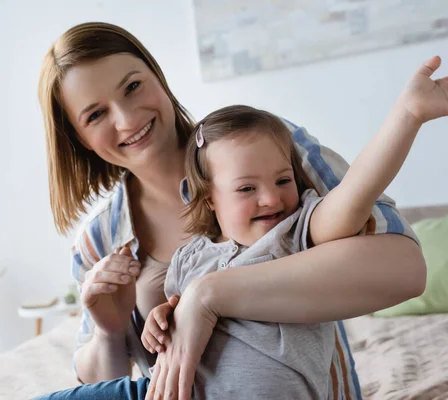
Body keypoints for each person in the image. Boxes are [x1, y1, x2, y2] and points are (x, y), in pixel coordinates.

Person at [34, 21, 428, 399]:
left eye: (133, 86)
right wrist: (109, 331)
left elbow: (406, 271)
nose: (127, 118)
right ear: (79, 137)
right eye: (96, 114)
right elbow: (110, 378)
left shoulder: (265, 149)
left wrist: (209, 295)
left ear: (158, 77)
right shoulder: (99, 241)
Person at [139, 71, 448, 397]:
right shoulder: (189, 258)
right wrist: (159, 321)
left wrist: (408, 115)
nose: (272, 198)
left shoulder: (293, 234)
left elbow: (356, 192)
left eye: (283, 181)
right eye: (247, 188)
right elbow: (174, 322)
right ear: (209, 199)